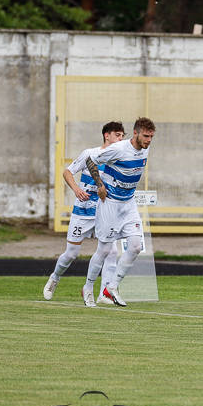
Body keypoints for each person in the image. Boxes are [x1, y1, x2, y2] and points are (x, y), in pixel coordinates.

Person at [43, 121, 124, 303]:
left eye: (122, 136)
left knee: (111, 251)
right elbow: (67, 172)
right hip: (83, 212)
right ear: (107, 135)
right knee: (71, 254)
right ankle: (55, 278)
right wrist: (76, 190)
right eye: (118, 135)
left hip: (104, 212)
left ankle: (105, 293)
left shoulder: (119, 159)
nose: (121, 139)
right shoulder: (90, 154)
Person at [81, 117, 156, 308]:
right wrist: (99, 185)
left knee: (136, 246)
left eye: (151, 137)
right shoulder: (119, 149)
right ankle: (88, 288)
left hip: (128, 203)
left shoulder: (145, 148)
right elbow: (91, 161)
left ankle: (111, 288)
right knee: (105, 249)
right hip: (110, 203)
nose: (148, 140)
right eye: (146, 136)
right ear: (136, 133)